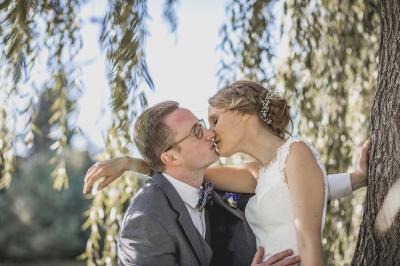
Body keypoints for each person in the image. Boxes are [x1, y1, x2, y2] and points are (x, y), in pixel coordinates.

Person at [83, 82, 369, 265]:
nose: (210, 132)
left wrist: (356, 179)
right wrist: (131, 163)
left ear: (243, 113)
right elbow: (175, 171)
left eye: (212, 121)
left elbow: (303, 218)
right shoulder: (258, 172)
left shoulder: (289, 156)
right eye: (200, 129)